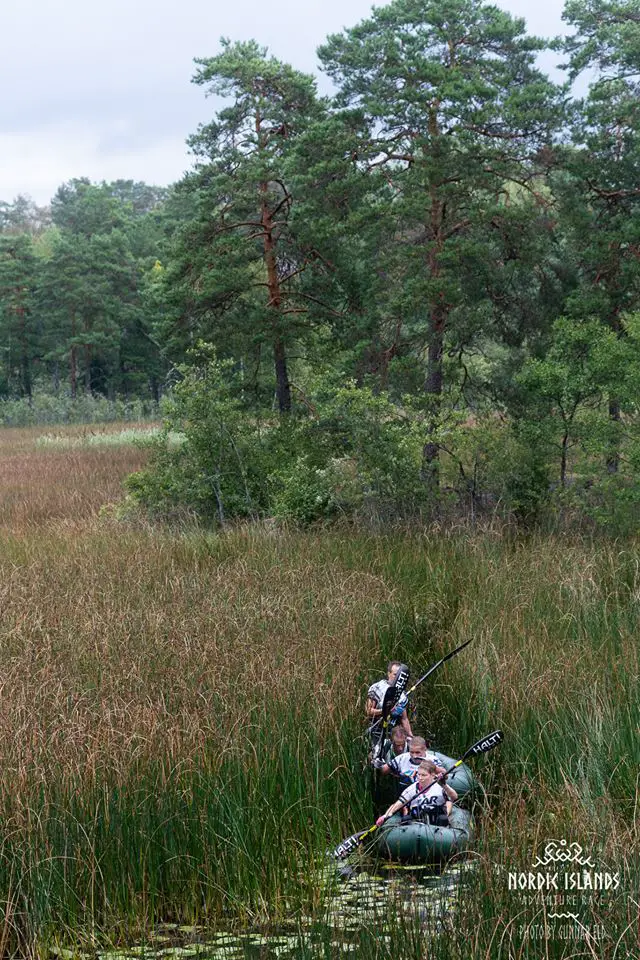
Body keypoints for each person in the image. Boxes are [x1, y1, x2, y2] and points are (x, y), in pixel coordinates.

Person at [375, 760, 458, 827]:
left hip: (436, 822)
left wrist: (444, 785)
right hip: (417, 823)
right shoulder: (411, 789)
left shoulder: (440, 787)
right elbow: (398, 803)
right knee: (406, 818)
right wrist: (385, 816)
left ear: (432, 775)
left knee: (443, 818)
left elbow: (454, 797)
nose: (420, 778)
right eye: (419, 774)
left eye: (424, 775)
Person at [366, 661, 412, 739]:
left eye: (398, 675)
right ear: (389, 673)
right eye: (395, 675)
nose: (396, 678)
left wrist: (410, 736)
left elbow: (404, 719)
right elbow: (368, 711)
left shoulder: (402, 695)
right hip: (376, 731)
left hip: (393, 733)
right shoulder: (377, 687)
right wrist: (384, 711)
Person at [373, 736, 446, 784]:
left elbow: (445, 775)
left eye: (418, 752)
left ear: (425, 749)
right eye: (412, 752)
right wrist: (378, 765)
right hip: (404, 794)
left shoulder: (433, 759)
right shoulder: (402, 758)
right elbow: (385, 770)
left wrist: (433, 767)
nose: (414, 756)